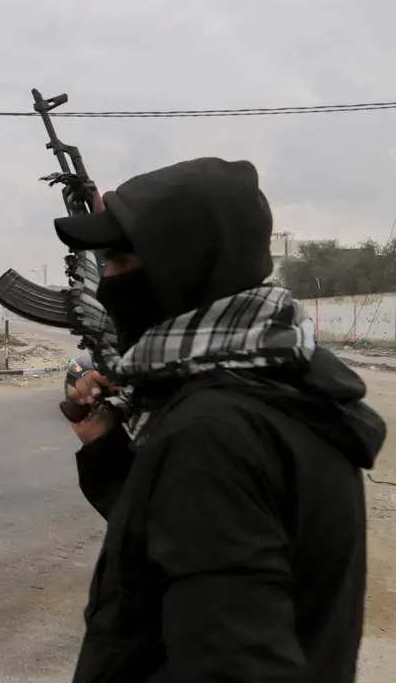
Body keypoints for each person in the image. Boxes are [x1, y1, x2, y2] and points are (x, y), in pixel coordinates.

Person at [54, 157, 385, 683]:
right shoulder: (285, 385)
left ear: (177, 274)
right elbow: (181, 550)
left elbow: (232, 662)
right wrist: (107, 449)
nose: (105, 284)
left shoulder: (213, 432)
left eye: (118, 262)